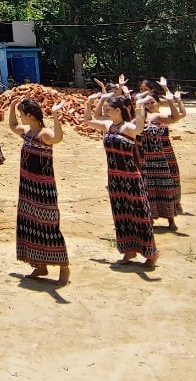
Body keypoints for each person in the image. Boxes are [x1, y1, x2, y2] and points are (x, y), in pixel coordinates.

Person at [85, 91, 158, 268]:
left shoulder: (128, 128)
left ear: (118, 111)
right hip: (114, 178)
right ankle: (128, 251)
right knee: (121, 215)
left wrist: (140, 105)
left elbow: (140, 126)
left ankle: (150, 253)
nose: (106, 111)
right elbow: (88, 121)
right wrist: (89, 103)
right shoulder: (108, 126)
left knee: (139, 215)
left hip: (131, 178)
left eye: (109, 109)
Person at [5, 97, 71, 285]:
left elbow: (58, 138)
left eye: (21, 114)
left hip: (43, 188)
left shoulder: (44, 133)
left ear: (30, 115)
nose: (20, 117)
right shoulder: (27, 132)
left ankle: (63, 266)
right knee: (31, 225)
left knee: (49, 226)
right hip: (27, 186)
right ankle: (40, 265)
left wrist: (56, 114)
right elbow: (12, 125)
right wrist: (11, 107)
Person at [138, 80, 185, 231]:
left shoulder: (157, 117)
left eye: (152, 102)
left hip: (160, 158)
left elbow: (176, 117)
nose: (149, 105)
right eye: (147, 104)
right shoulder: (139, 119)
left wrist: (172, 101)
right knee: (148, 191)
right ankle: (150, 220)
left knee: (165, 188)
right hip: (145, 159)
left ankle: (171, 220)